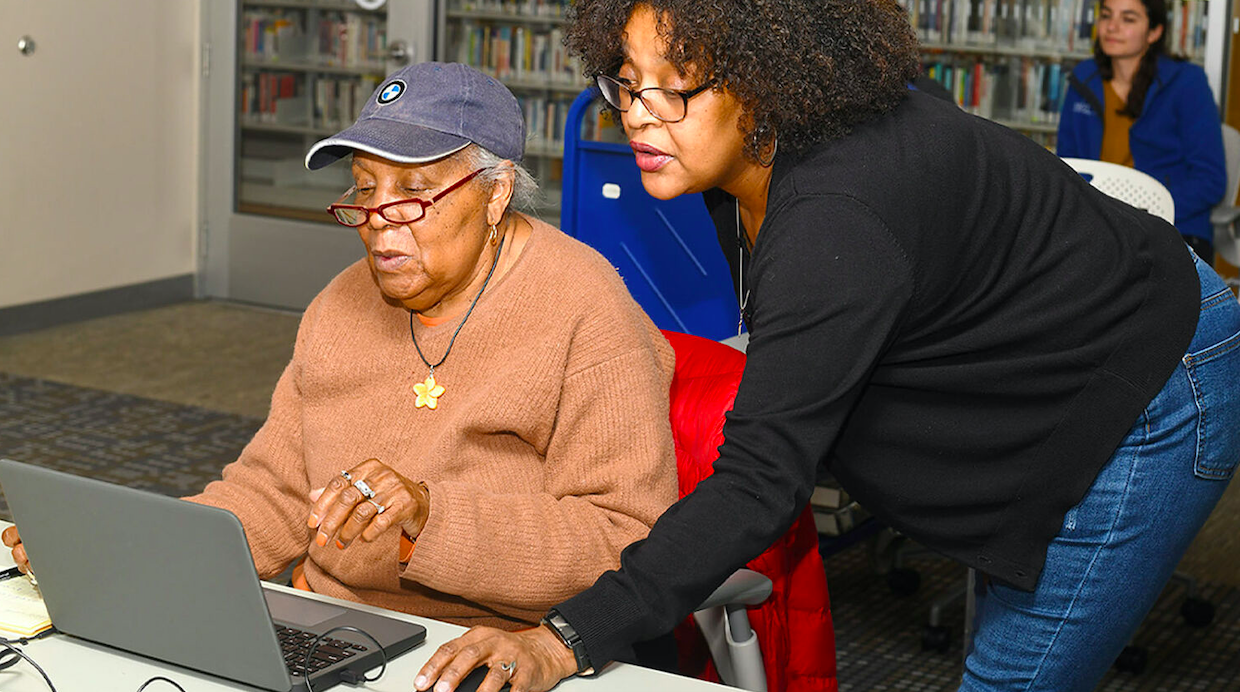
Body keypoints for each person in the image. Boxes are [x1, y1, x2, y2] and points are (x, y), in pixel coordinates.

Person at [412, 3, 1240, 692]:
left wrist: (564, 640)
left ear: (766, 79)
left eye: (676, 87)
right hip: (1048, 350)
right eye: (626, 81)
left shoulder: (834, 215)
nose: (637, 113)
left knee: (1015, 675)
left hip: (1157, 381)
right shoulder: (754, 159)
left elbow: (762, 482)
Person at [3, 61, 678, 662]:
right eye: (363, 189)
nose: (381, 218)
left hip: (498, 644)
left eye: (413, 191)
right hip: (335, 626)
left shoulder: (586, 310)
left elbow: (625, 542)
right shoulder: (340, 306)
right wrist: (130, 549)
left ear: (495, 194)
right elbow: (274, 492)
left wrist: (428, 515)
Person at [1057, 0, 1226, 263]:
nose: (1112, 27)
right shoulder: (1083, 78)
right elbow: (1067, 168)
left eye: (1128, 19)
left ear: (1154, 32)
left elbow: (1210, 180)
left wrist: (1146, 212)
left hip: (1173, 227)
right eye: (1106, 15)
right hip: (1098, 228)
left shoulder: (1187, 82)